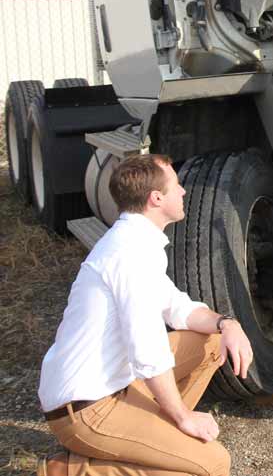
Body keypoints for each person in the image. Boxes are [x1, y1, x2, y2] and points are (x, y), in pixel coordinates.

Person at [37, 154, 252, 476]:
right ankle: (69, 471)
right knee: (211, 465)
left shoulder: (137, 243)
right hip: (86, 408)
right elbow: (148, 350)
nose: (182, 192)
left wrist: (228, 324)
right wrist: (183, 417)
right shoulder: (129, 254)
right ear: (156, 199)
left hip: (115, 386)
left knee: (208, 342)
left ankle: (154, 438)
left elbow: (178, 309)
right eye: (176, 186)